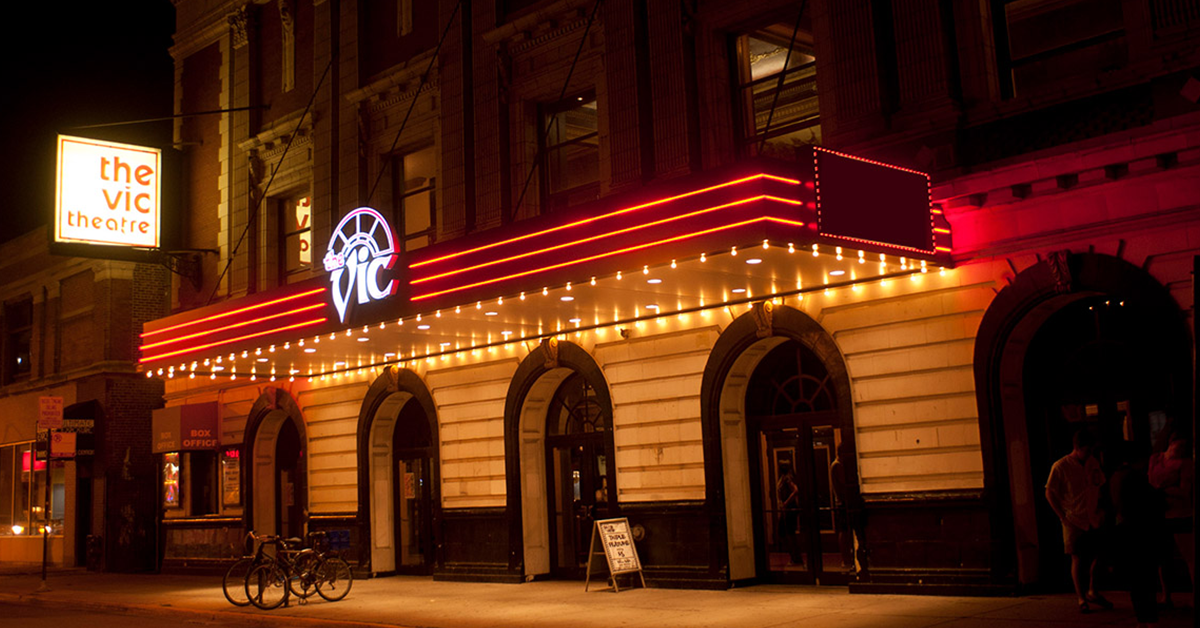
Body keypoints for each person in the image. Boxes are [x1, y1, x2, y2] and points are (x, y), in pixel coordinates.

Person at [1045, 428, 1112, 613]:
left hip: (1093, 516)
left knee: (1100, 554)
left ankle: (1092, 590)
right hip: (1074, 517)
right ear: (1078, 447)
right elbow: (1049, 491)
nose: (1090, 453)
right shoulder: (1061, 466)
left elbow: (1099, 485)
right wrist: (1062, 515)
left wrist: (1101, 508)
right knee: (1078, 558)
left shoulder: (1092, 462)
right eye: (1087, 449)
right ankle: (1081, 597)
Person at [1110, 443, 1163, 627]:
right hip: (1140, 533)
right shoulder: (1135, 478)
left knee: (1136, 581)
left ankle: (1142, 618)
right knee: (1146, 580)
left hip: (1126, 532)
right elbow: (1152, 501)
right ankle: (1148, 617)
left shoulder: (1117, 477)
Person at [1148, 431, 1195, 607]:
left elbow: (1184, 491)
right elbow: (1151, 482)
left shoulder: (1185, 464)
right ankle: (1166, 595)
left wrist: (1162, 490)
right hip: (1161, 514)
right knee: (1163, 558)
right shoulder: (1156, 459)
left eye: (1184, 446)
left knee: (1189, 556)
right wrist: (1167, 488)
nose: (1181, 449)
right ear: (1171, 443)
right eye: (1179, 445)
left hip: (1180, 513)